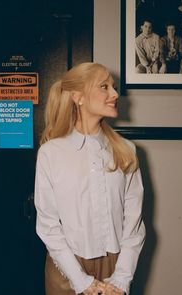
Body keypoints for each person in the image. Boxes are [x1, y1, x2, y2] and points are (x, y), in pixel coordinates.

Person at [34, 62, 146, 295]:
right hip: (65, 268)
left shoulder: (127, 151)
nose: (115, 94)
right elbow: (48, 226)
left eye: (113, 87)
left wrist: (122, 279)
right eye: (104, 86)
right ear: (78, 97)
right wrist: (81, 281)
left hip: (116, 267)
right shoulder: (50, 153)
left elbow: (134, 225)